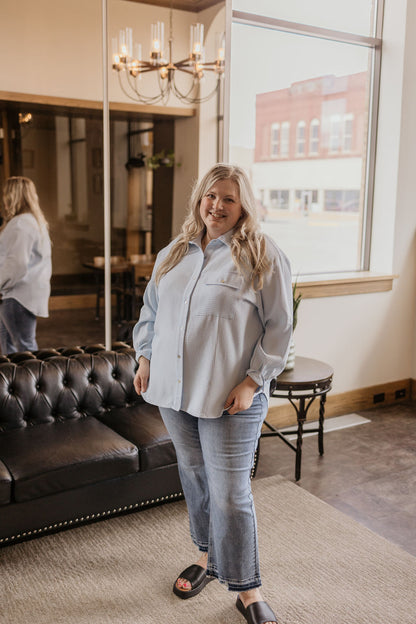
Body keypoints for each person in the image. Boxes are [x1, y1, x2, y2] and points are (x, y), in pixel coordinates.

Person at [132, 163, 292, 624]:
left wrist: (252, 382)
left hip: (229, 398)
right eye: (210, 196)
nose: (216, 206)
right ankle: (208, 559)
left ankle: (248, 589)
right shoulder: (174, 252)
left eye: (228, 198)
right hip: (173, 392)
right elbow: (151, 312)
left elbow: (280, 328)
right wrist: (145, 356)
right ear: (198, 200)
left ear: (244, 207)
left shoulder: (262, 255)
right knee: (196, 480)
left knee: (230, 494)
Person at [0, 176, 52, 354]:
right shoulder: (33, 221)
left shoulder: (20, 224)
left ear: (12, 196)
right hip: (19, 295)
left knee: (24, 351)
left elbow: (17, 264)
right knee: (11, 349)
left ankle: (34, 382)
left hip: (16, 296)